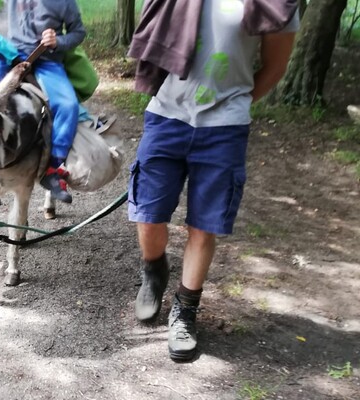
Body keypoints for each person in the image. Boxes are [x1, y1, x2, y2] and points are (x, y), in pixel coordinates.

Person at [127, 0, 298, 361]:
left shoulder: (277, 3)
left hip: (225, 126)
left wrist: (235, 104)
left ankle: (185, 311)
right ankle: (154, 270)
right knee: (147, 213)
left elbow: (276, 66)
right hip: (166, 115)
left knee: (205, 225)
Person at [0, 0, 85, 204]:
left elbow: (78, 32)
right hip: (11, 59)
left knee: (68, 106)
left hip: (47, 62)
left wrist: (58, 41)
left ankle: (53, 169)